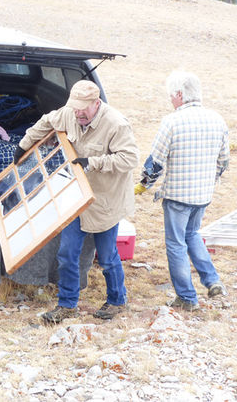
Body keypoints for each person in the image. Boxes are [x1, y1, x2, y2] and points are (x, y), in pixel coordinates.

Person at [15, 80, 139, 323]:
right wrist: (24, 145)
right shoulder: (69, 114)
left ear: (97, 103)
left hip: (105, 200)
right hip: (76, 197)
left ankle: (117, 300)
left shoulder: (116, 123)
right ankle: (67, 305)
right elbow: (47, 122)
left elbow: (130, 158)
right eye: (76, 108)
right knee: (67, 253)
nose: (79, 113)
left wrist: (93, 162)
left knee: (106, 256)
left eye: (84, 108)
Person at [135, 70, 229, 311]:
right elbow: (224, 160)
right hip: (203, 195)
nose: (170, 100)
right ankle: (212, 281)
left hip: (178, 195)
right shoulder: (217, 119)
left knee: (176, 243)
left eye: (171, 95)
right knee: (192, 234)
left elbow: (156, 161)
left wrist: (144, 185)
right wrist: (210, 180)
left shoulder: (172, 121)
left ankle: (187, 298)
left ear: (179, 94)